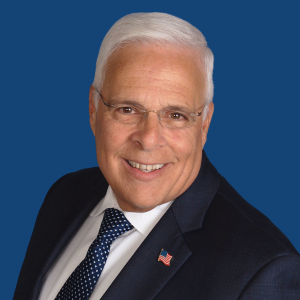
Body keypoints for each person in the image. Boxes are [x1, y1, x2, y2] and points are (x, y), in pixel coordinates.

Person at [14, 12, 300, 300]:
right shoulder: (65, 195)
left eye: (176, 115)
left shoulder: (262, 271)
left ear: (204, 125)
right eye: (127, 109)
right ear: (93, 109)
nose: (149, 139)